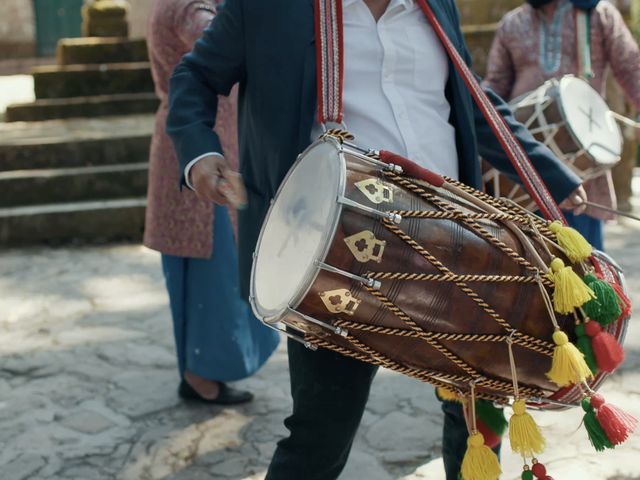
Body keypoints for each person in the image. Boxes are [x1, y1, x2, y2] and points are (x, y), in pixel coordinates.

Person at [166, 0, 586, 478]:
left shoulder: (434, 5)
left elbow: (472, 100)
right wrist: (199, 155)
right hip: (336, 251)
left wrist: (550, 174)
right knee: (322, 431)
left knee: (476, 417)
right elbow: (194, 77)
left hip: (456, 239)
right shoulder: (267, 7)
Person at [144, 0, 279, 405]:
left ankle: (201, 371)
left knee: (205, 267)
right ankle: (201, 375)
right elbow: (220, 40)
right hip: (201, 153)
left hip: (191, 145)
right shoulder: (191, 7)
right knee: (210, 270)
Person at [484, 0, 640, 249]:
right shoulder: (512, 23)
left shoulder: (598, 14)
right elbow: (494, 88)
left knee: (585, 272)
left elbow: (632, 68)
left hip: (583, 173)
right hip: (523, 172)